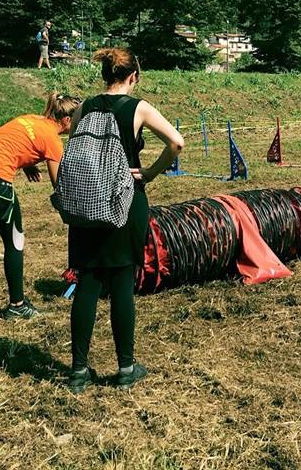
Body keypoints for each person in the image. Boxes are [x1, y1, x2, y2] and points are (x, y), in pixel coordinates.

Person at [68, 48, 184, 393]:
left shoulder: (84, 107)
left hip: (87, 205)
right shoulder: (139, 107)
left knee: (87, 284)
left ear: (106, 74)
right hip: (125, 201)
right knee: (121, 285)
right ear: (133, 76)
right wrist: (148, 173)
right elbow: (177, 143)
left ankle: (78, 371)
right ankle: (125, 368)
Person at [0, 93, 81, 318]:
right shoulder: (52, 139)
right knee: (15, 241)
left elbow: (13, 142)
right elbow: (58, 183)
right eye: (79, 119)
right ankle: (17, 306)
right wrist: (72, 207)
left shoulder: (32, 119)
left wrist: (27, 163)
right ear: (67, 120)